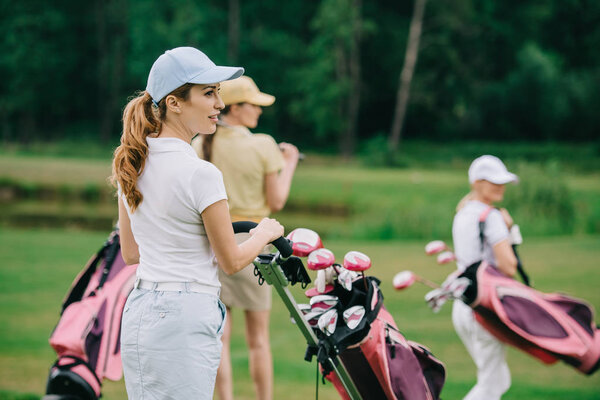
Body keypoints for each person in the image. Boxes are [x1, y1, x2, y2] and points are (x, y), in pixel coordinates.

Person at [111, 47, 285, 400]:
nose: (219, 104)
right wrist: (265, 232)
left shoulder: (131, 163)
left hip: (141, 308)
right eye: (209, 93)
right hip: (185, 315)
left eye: (218, 92)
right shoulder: (201, 173)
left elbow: (131, 253)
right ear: (175, 102)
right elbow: (232, 261)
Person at [192, 76, 299, 400]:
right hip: (254, 247)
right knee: (259, 340)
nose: (259, 112)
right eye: (254, 105)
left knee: (219, 338)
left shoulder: (200, 143)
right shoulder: (264, 144)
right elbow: (277, 201)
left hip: (214, 244)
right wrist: (290, 163)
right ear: (236, 109)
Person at [451, 155, 519, 400]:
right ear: (477, 182)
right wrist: (509, 230)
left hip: (462, 304)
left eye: (502, 181)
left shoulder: (463, 213)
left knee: (497, 378)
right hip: (484, 305)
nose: (500, 186)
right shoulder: (491, 217)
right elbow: (509, 266)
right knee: (492, 384)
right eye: (493, 181)